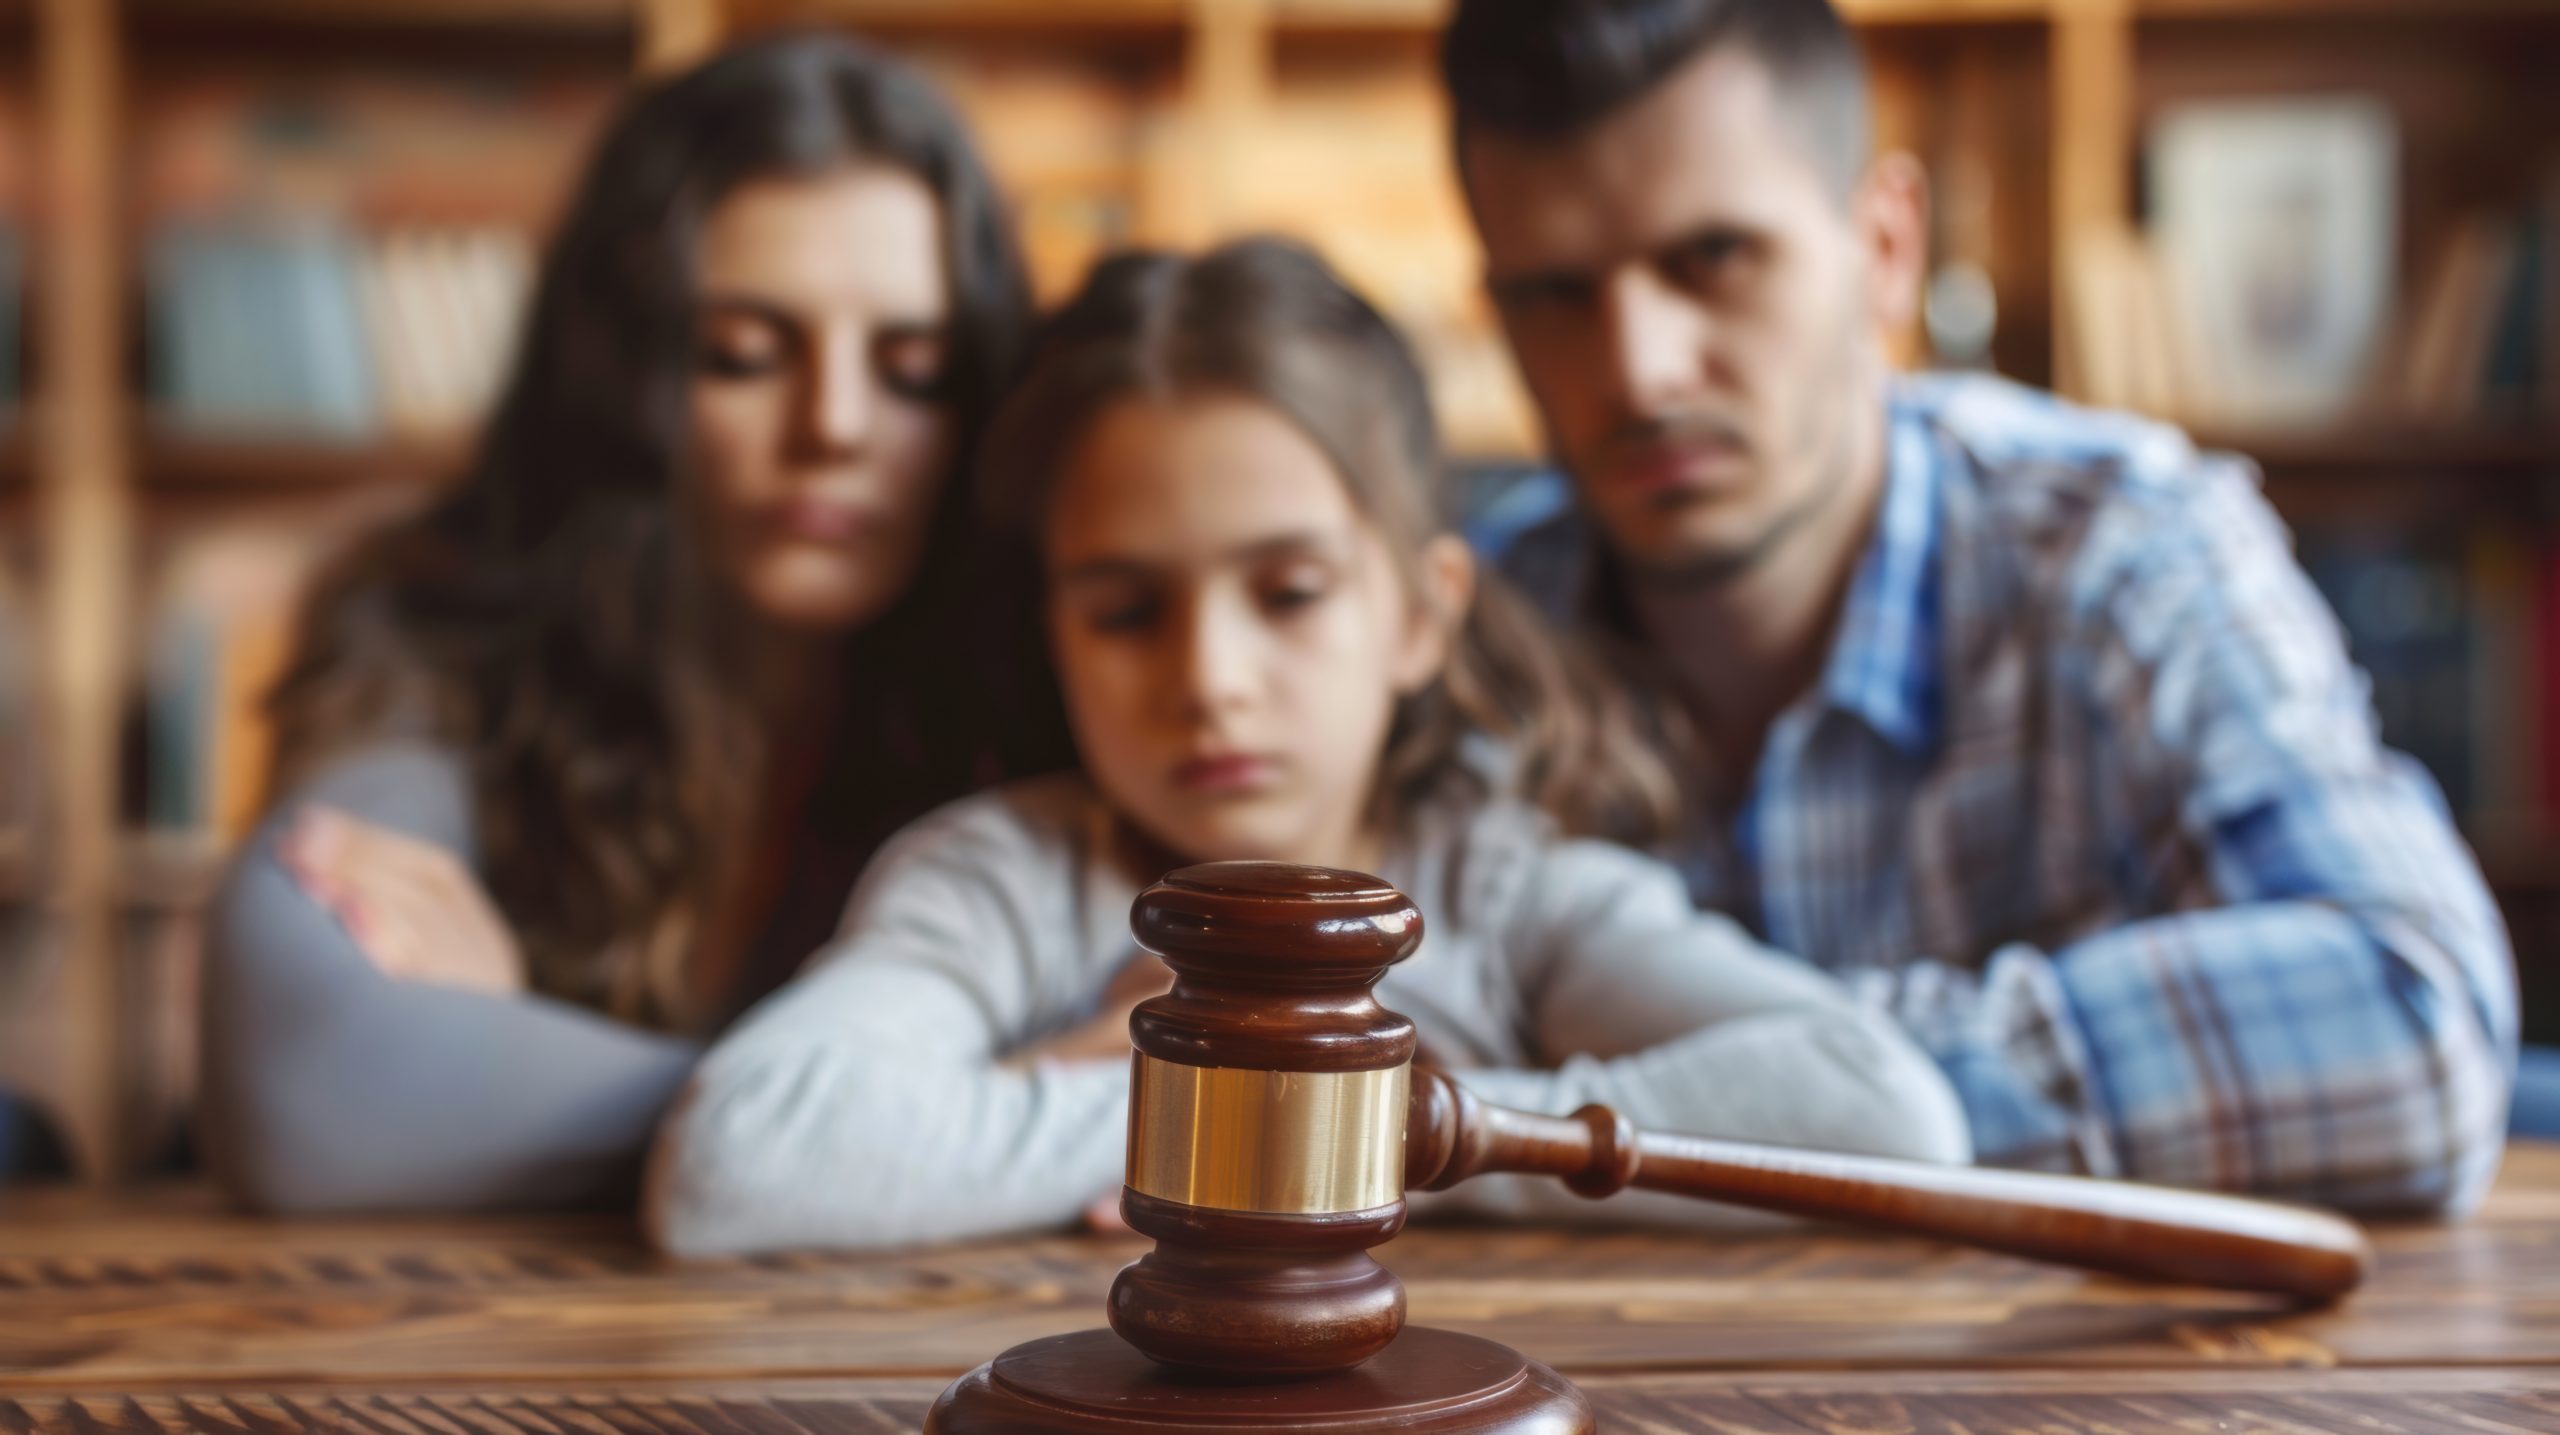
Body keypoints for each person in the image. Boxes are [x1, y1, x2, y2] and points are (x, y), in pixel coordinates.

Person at [643, 238, 1969, 1256]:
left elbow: (1876, 1113)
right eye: (1125, 611)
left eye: (1287, 594)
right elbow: (740, 1158)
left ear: (1419, 615)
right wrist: (1292, 1121)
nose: (1211, 680)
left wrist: (1308, 1130)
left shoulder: (1504, 888)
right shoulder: (1001, 879)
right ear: (1051, 629)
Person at [1441, 0, 2512, 1210]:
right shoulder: (1460, 631)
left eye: (1713, 259)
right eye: (1551, 294)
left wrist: (1816, 1087)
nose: (1637, 367)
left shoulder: (2116, 542)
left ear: (1886, 243)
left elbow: (2416, 1024)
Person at [197, 32, 1068, 1214]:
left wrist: (509, 1065)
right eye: (745, 355)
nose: (836, 425)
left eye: (912, 370)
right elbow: (313, 1097)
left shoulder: (1034, 689)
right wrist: (926, 1119)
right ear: (621, 377)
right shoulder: (425, 628)